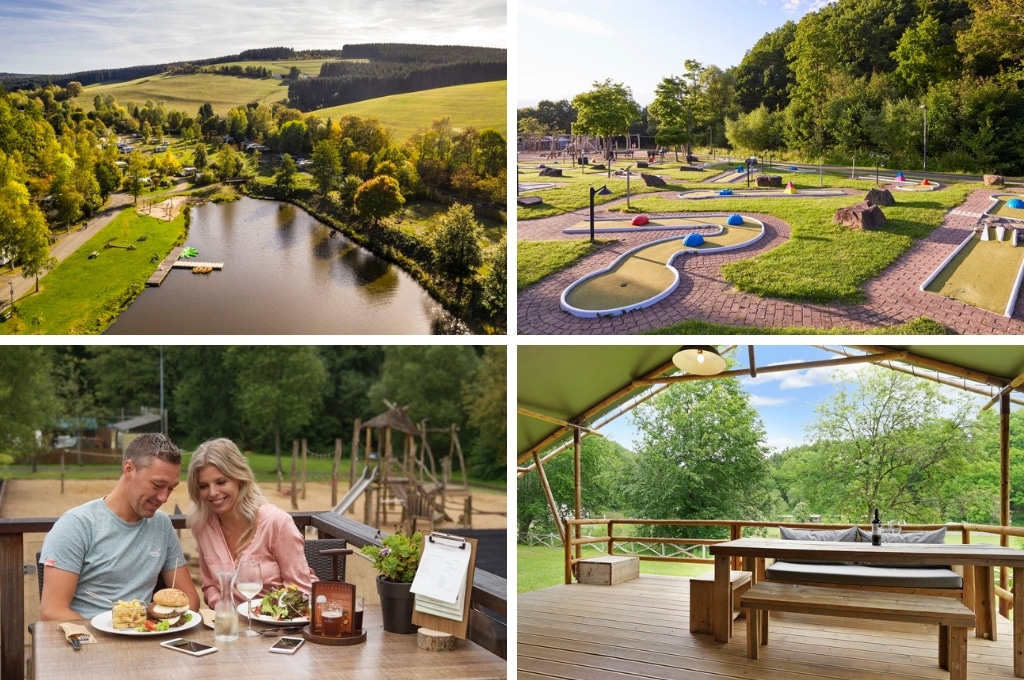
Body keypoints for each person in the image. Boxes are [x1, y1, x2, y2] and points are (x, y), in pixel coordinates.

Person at [39, 432, 200, 620]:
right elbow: (51, 612)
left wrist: (155, 623)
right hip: (89, 642)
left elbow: (191, 599)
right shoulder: (76, 525)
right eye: (157, 485)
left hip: (146, 638)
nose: (164, 498)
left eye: (171, 488)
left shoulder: (162, 525)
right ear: (129, 469)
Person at [186, 437, 315, 608]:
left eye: (221, 482)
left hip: (278, 626)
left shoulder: (276, 522)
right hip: (231, 627)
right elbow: (209, 586)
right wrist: (225, 609)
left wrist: (263, 613)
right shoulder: (202, 527)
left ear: (239, 478)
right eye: (203, 486)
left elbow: (302, 590)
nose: (213, 492)